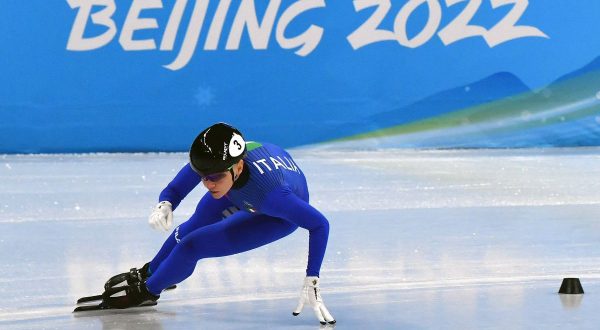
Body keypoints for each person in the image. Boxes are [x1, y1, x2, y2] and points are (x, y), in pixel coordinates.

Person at [104, 122, 335, 325]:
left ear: (238, 167)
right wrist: (165, 203)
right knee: (190, 227)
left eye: (215, 177)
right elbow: (176, 188)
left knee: (192, 246)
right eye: (203, 177)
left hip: (275, 216)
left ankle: (148, 291)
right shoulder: (215, 161)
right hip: (241, 188)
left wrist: (311, 278)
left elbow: (319, 225)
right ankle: (151, 271)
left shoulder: (274, 197)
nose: (208, 183)